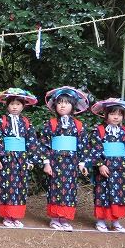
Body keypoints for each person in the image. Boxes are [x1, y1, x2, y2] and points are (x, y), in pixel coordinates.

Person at [40, 86, 89, 231]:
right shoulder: (51, 124)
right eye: (60, 102)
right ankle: (55, 218)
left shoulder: (79, 125)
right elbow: (44, 144)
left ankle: (65, 218)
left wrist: (81, 163)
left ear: (73, 106)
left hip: (71, 163)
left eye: (66, 103)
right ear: (55, 105)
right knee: (54, 188)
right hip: (55, 161)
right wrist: (46, 162)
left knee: (69, 189)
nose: (62, 105)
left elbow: (83, 145)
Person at [0, 88, 40, 228]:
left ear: (23, 106)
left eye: (18, 104)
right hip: (7, 158)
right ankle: (7, 215)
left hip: (22, 159)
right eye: (12, 103)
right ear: (7, 105)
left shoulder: (26, 122)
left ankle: (17, 215)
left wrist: (31, 160)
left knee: (21, 187)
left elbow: (32, 141)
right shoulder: (2, 121)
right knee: (6, 186)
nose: (14, 107)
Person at [88, 98, 125, 232]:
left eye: (120, 114)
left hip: (120, 169)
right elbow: (95, 148)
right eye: (112, 114)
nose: (116, 117)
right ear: (105, 114)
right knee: (102, 193)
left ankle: (115, 222)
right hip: (104, 168)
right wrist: (100, 164)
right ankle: (101, 220)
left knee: (119, 194)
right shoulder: (98, 131)